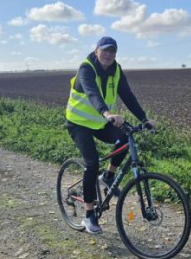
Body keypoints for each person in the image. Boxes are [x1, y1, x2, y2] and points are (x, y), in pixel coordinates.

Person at [65, 36, 155, 234]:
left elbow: (127, 95)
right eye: (104, 50)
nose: (108, 54)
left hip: (99, 122)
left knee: (125, 137)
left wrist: (144, 119)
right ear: (96, 50)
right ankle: (89, 216)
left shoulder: (116, 69)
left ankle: (108, 176)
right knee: (92, 163)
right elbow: (92, 93)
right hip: (78, 123)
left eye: (112, 51)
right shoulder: (86, 68)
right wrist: (107, 113)